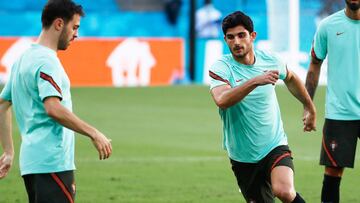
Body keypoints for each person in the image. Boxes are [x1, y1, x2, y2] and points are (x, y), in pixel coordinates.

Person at [0, 0, 112, 202]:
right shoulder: (47, 62)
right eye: (75, 27)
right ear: (59, 24)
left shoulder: (22, 59)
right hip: (52, 162)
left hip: (32, 163)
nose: (76, 34)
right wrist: (94, 133)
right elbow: (53, 107)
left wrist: (8, 151)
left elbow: (2, 105)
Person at [209, 11, 316, 203]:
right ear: (225, 39)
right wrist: (255, 81)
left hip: (273, 144)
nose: (236, 42)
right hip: (242, 154)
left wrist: (309, 106)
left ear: (252, 36)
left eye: (242, 35)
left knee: (284, 191)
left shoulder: (271, 60)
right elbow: (222, 100)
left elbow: (291, 78)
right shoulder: (221, 68)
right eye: (231, 37)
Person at [305, 0, 360, 202]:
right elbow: (314, 64)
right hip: (340, 113)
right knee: (333, 173)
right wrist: (308, 105)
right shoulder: (328, 26)